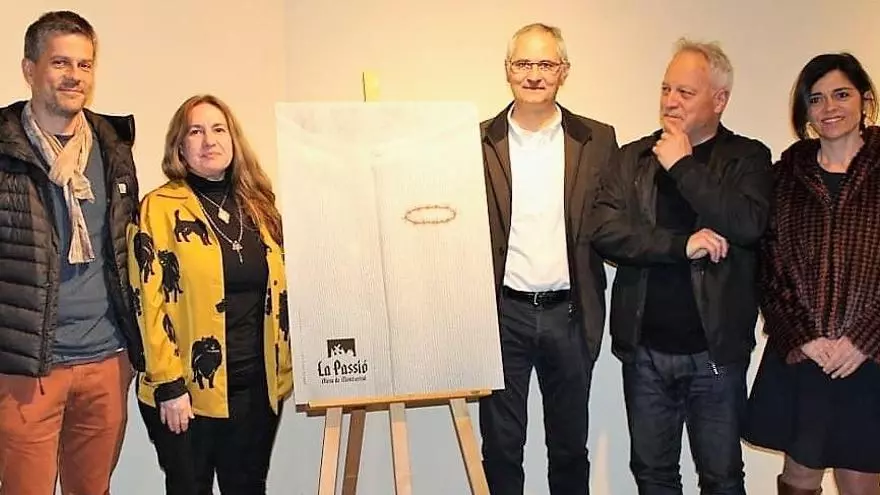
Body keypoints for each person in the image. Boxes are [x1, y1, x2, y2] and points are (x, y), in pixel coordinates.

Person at [592, 39, 772, 494]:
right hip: (645, 352)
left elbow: (747, 224)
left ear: (720, 100)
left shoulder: (747, 157)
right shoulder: (632, 157)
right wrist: (680, 245)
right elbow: (606, 231)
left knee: (722, 478)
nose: (670, 101)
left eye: (685, 92)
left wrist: (683, 166)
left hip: (715, 353)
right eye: (666, 89)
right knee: (653, 475)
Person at [0, 11, 142, 495]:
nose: (74, 76)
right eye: (60, 63)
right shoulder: (6, 149)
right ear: (29, 69)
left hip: (106, 361)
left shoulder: (113, 147)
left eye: (84, 65)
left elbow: (124, 251)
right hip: (27, 370)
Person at [478, 22, 618, 495]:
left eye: (545, 64)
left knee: (569, 449)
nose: (533, 74)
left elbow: (613, 221)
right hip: (503, 315)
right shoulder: (478, 141)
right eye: (523, 63)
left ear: (564, 71)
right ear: (507, 70)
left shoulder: (597, 140)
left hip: (570, 315)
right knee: (501, 447)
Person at [131, 94, 293, 494]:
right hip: (186, 391)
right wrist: (168, 384)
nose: (209, 140)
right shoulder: (158, 208)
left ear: (233, 139)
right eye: (196, 131)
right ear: (179, 146)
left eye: (219, 129)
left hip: (255, 390)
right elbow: (147, 301)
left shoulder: (260, 208)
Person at [744, 52, 880, 495]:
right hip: (806, 356)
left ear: (865, 99)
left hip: (870, 358)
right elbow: (769, 268)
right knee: (799, 478)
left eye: (841, 94)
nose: (829, 108)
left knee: (860, 480)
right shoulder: (784, 177)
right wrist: (804, 337)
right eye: (816, 99)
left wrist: (864, 339)